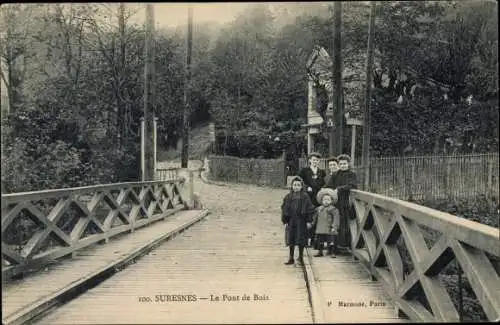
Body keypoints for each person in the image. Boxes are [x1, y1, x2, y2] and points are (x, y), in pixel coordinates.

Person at [281, 176, 315, 265]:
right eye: (294, 185)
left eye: (298, 185)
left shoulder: (305, 196)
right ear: (292, 186)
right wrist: (285, 221)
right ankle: (291, 257)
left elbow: (310, 209)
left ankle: (300, 257)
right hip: (291, 220)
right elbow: (284, 209)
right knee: (291, 239)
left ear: (301, 186)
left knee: (301, 239)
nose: (296, 187)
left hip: (301, 221)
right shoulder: (288, 197)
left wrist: (309, 221)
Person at [298, 152, 326, 247]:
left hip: (318, 199)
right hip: (307, 198)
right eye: (314, 160)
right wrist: (306, 187)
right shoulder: (304, 171)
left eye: (317, 160)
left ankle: (315, 240)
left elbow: (324, 183)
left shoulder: (322, 172)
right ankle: (305, 240)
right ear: (310, 160)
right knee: (307, 218)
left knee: (317, 218)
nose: (315, 162)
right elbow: (299, 181)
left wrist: (323, 189)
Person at [332, 154, 358, 250]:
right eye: (341, 164)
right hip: (336, 201)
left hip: (346, 201)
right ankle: (335, 244)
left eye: (345, 163)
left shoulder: (352, 174)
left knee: (346, 223)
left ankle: (346, 244)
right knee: (336, 221)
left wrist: (339, 188)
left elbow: (352, 185)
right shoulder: (336, 174)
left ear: (348, 164)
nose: (343, 165)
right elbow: (330, 184)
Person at [313, 188, 340, 258]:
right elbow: (315, 217)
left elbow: (336, 218)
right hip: (320, 227)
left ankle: (332, 252)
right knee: (320, 240)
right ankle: (320, 251)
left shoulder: (333, 209)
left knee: (331, 240)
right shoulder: (319, 209)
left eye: (328, 200)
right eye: (324, 200)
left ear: (331, 201)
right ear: (322, 201)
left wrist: (334, 226)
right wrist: (312, 223)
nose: (326, 201)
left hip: (329, 227)